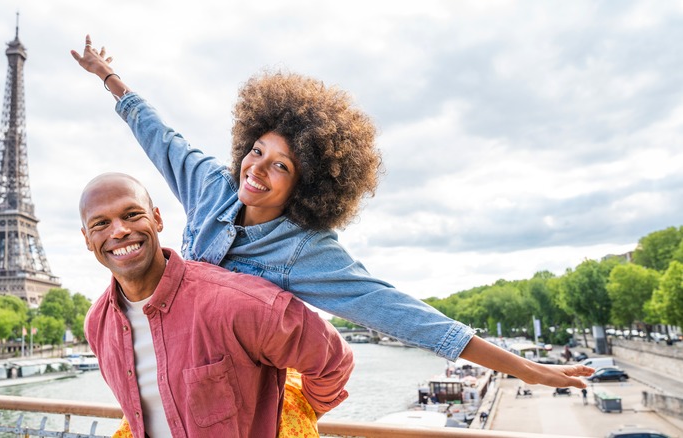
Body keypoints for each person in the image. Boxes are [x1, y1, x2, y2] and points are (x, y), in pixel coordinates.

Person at [71, 35, 594, 433]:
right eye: (256, 151)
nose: (256, 170)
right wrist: (109, 78)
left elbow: (404, 315)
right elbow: (160, 137)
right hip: (191, 374)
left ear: (307, 185)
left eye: (281, 166)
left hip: (248, 389)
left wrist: (524, 369)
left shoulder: (306, 251)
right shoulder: (211, 185)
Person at [79, 172, 354, 438]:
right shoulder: (98, 325)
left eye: (131, 215)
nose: (120, 231)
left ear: (157, 219)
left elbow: (333, 361)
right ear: (87, 239)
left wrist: (292, 416)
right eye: (100, 224)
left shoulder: (237, 302)